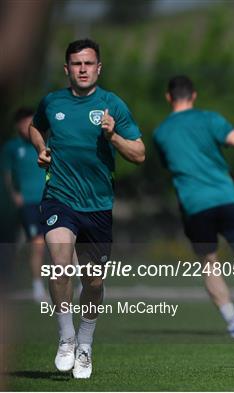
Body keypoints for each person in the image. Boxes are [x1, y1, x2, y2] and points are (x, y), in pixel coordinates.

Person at [29, 38, 145, 379]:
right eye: (77, 64)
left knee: (93, 282)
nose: (83, 69)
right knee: (60, 266)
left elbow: (139, 155)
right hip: (59, 198)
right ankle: (65, 337)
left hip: (98, 205)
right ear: (67, 69)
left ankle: (85, 343)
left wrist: (113, 137)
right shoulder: (52, 102)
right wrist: (41, 147)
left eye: (89, 63)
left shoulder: (113, 105)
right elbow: (36, 127)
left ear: (99, 68)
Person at [153, 75, 234, 339]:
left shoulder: (160, 133)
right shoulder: (209, 119)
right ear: (194, 95)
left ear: (169, 97)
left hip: (194, 205)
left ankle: (233, 322)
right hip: (226, 196)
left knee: (209, 264)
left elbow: (169, 166)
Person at [2, 107, 47, 302]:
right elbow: (7, 175)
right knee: (37, 244)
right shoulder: (12, 148)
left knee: (64, 243)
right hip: (28, 203)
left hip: (52, 200)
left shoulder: (46, 144)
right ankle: (37, 285)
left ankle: (80, 282)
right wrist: (15, 196)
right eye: (26, 123)